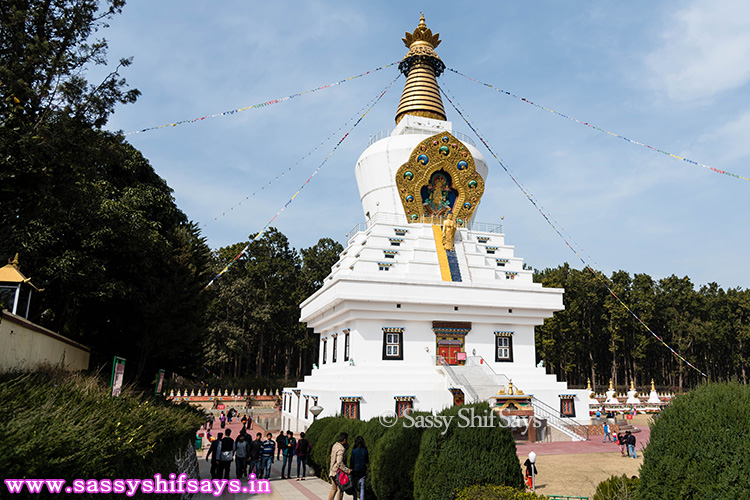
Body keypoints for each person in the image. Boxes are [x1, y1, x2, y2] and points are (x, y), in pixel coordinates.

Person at [328, 433, 350, 500]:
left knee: (333, 489)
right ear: (344, 439)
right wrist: (347, 470)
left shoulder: (335, 445)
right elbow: (339, 462)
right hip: (337, 473)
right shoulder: (341, 448)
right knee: (340, 490)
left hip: (332, 470)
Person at [350, 436, 369, 500]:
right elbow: (367, 461)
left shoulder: (353, 451)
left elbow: (351, 462)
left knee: (355, 488)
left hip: (355, 471)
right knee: (362, 488)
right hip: (362, 471)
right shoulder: (365, 451)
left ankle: (355, 499)